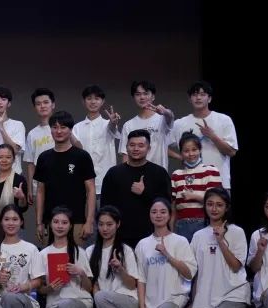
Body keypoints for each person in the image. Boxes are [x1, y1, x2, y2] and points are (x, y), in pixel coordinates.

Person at [189, 188, 258, 308]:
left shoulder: (236, 232)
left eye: (219, 205)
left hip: (233, 292)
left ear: (226, 207)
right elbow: (196, 272)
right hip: (209, 295)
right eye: (210, 204)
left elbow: (236, 266)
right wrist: (193, 300)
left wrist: (220, 241)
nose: (214, 209)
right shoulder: (198, 235)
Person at [136, 198, 197, 308]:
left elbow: (189, 273)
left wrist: (167, 255)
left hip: (174, 296)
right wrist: (142, 306)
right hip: (152, 301)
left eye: (163, 212)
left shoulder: (180, 241)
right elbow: (141, 278)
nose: (158, 215)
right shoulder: (142, 244)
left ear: (170, 215)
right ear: (149, 215)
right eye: (154, 212)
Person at [33, 111, 96, 246]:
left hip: (77, 221)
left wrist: (89, 221)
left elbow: (91, 190)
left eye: (63, 127)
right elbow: (40, 191)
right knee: (50, 258)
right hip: (50, 221)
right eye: (55, 127)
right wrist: (39, 222)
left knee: (75, 258)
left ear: (71, 129)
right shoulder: (44, 157)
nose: (59, 131)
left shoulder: (82, 156)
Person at [100, 129, 171, 242]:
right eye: (132, 145)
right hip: (120, 236)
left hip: (151, 235)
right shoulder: (113, 173)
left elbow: (166, 205)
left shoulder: (159, 173)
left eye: (141, 145)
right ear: (126, 147)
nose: (136, 149)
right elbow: (105, 207)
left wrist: (144, 193)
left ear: (148, 148)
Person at [37, 207, 94, 308]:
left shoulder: (79, 252)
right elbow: (40, 289)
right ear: (50, 224)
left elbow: (89, 288)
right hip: (54, 305)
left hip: (79, 302)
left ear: (70, 226)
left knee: (66, 305)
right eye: (56, 222)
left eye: (64, 222)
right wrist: (49, 288)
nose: (60, 226)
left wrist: (81, 273)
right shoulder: (43, 254)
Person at [87, 206, 141, 308]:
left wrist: (121, 270)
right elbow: (95, 286)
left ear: (118, 224)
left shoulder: (126, 250)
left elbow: (132, 285)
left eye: (109, 224)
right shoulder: (90, 251)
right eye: (101, 224)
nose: (105, 229)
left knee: (101, 296)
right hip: (105, 303)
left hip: (129, 302)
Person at [169, 81, 238, 192]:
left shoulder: (224, 120)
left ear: (209, 99)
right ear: (189, 99)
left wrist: (212, 136)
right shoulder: (179, 124)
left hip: (219, 182)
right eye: (195, 94)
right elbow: (161, 145)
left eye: (202, 94)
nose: (198, 98)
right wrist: (180, 156)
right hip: (191, 184)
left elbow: (232, 152)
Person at [72, 85, 121, 217]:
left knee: (107, 222)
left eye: (97, 98)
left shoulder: (107, 124)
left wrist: (113, 122)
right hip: (84, 185)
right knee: (87, 224)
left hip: (106, 184)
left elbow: (112, 128)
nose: (93, 102)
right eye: (89, 98)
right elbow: (77, 151)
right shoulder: (76, 128)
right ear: (83, 101)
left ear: (102, 101)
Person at [170, 132, 222, 241]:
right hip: (181, 225)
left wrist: (194, 196)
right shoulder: (176, 175)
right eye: (186, 151)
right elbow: (173, 208)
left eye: (194, 150)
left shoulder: (210, 171)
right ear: (181, 153)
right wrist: (170, 233)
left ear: (200, 150)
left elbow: (217, 202)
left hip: (204, 223)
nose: (191, 154)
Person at [120, 80, 175, 169]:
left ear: (153, 97)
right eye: (138, 94)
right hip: (135, 174)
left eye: (145, 94)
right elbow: (125, 154)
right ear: (133, 97)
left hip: (158, 173)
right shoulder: (128, 125)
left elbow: (170, 116)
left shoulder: (162, 119)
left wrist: (165, 112)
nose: (142, 97)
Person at [23, 87, 56, 189]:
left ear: (53, 104)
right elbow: (30, 164)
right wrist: (30, 188)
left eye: (46, 102)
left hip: (59, 182)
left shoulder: (62, 129)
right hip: (38, 186)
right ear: (35, 107)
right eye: (38, 104)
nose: (42, 106)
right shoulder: (32, 134)